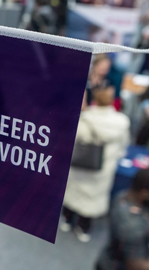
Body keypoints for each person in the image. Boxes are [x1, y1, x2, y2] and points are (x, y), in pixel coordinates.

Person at [62, 84, 130, 242]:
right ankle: (83, 228)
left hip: (79, 166)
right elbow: (123, 146)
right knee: (92, 200)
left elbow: (72, 139)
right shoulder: (121, 122)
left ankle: (67, 220)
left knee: (72, 194)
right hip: (103, 169)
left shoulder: (85, 118)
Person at [96, 169, 149, 270]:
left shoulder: (123, 196)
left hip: (109, 257)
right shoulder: (132, 227)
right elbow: (135, 265)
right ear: (144, 193)